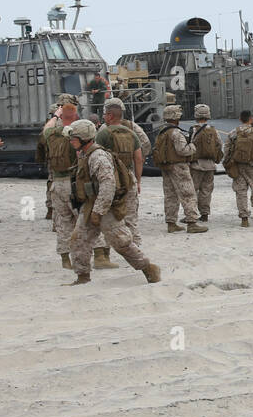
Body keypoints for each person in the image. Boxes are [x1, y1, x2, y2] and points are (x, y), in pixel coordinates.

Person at [64, 119, 161, 285]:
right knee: (78, 240)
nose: (71, 141)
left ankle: (148, 268)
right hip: (91, 205)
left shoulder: (98, 157)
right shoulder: (86, 155)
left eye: (74, 138)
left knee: (121, 243)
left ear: (84, 138)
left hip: (105, 208)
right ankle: (82, 276)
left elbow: (108, 185)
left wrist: (99, 211)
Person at [94, 98, 144, 267]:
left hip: (109, 177)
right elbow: (139, 157)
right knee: (131, 216)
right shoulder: (131, 132)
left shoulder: (103, 133)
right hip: (128, 176)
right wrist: (138, 180)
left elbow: (95, 155)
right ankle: (136, 251)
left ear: (109, 116)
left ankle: (103, 255)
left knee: (104, 215)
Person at [153, 100, 207, 233]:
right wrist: (193, 146)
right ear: (176, 117)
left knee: (170, 195)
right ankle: (192, 222)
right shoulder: (176, 133)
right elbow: (182, 150)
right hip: (179, 166)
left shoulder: (161, 132)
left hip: (166, 167)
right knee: (188, 193)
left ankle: (171, 223)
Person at [41, 96, 80, 267]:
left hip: (57, 183)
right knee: (85, 220)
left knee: (63, 222)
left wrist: (56, 115)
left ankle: (65, 258)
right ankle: (100, 255)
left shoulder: (52, 135)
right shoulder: (79, 133)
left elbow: (46, 129)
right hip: (75, 183)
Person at [223, 110, 253, 227]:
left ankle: (244, 219)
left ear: (240, 119)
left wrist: (229, 163)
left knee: (241, 192)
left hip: (237, 165)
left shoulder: (233, 133)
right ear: (251, 119)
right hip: (252, 166)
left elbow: (226, 150)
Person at [188, 103, 221, 222]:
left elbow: (189, 146)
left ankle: (191, 215)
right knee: (206, 190)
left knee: (192, 191)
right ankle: (205, 214)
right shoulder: (213, 130)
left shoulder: (193, 129)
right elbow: (219, 145)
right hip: (210, 165)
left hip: (196, 165)